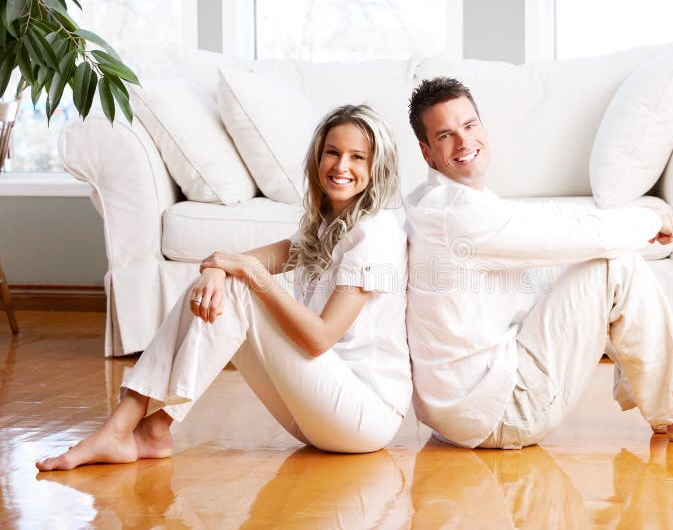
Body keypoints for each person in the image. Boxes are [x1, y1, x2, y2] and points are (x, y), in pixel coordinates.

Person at [37, 104, 410, 471]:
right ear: (318, 156)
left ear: (377, 167)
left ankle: (130, 430)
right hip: (318, 410)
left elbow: (319, 338)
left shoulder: (374, 232)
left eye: (358, 157)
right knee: (225, 285)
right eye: (333, 152)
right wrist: (217, 269)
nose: (341, 166)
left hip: (363, 416)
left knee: (240, 287)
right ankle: (146, 430)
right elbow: (251, 260)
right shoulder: (331, 221)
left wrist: (246, 273)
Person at [404, 77, 673, 449]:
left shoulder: (433, 201)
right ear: (427, 152)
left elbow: (547, 228)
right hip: (501, 415)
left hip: (456, 417)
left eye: (469, 125)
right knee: (615, 265)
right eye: (446, 135)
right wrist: (649, 220)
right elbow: (579, 235)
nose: (465, 141)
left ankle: (669, 402)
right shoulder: (460, 215)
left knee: (588, 263)